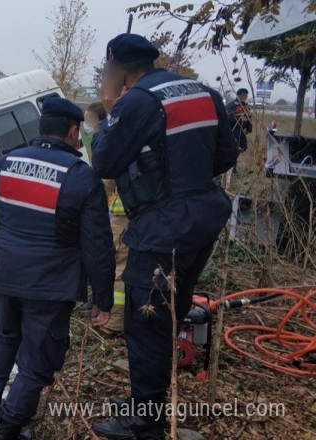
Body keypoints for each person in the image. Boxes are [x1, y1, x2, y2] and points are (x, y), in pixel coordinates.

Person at [91, 34, 238, 439]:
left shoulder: (135, 102)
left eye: (107, 71)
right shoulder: (203, 92)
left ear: (118, 69)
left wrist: (108, 110)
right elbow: (226, 155)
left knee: (146, 324)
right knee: (171, 313)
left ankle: (146, 423)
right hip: (202, 222)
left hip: (161, 231)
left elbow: (103, 160)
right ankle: (147, 402)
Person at [0, 97, 116, 439]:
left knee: (5, 337)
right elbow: (98, 246)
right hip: (49, 287)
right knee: (37, 362)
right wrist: (103, 299)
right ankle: (7, 428)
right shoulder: (81, 177)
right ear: (71, 131)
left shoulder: (3, 165)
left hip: (4, 276)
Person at [84, 102, 126, 337]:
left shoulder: (112, 139)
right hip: (126, 214)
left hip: (123, 216)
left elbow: (106, 181)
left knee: (119, 267)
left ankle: (115, 323)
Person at [225, 88, 253, 153]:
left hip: (242, 132)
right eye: (242, 95)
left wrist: (249, 128)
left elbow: (249, 119)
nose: (244, 97)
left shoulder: (246, 106)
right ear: (238, 96)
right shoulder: (232, 105)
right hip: (233, 131)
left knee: (243, 147)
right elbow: (227, 118)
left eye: (245, 95)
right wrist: (239, 118)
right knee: (233, 149)